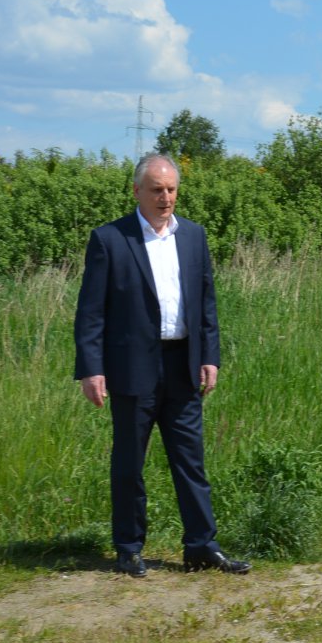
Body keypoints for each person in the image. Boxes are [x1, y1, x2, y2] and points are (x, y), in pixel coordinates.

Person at [73, 155, 248, 578]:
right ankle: (129, 548)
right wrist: (91, 368)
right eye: (156, 189)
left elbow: (206, 303)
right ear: (137, 191)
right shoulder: (110, 239)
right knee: (129, 463)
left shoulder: (193, 236)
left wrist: (210, 356)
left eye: (171, 189)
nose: (165, 197)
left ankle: (201, 546)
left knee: (191, 461)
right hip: (132, 368)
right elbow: (91, 311)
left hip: (183, 364)